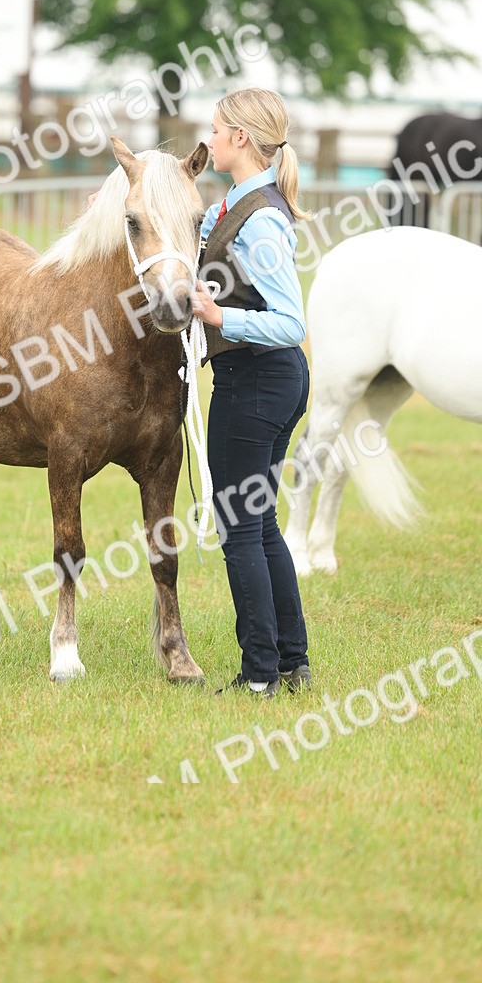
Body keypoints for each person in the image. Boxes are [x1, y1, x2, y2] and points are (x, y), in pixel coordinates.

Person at [191, 87, 312, 698]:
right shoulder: (239, 204)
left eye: (214, 128)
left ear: (241, 137)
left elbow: (293, 322)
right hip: (269, 382)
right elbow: (204, 239)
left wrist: (220, 321)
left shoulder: (260, 218)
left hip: (258, 382)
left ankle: (260, 673)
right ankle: (292, 662)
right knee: (260, 525)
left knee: (240, 528)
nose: (207, 138)